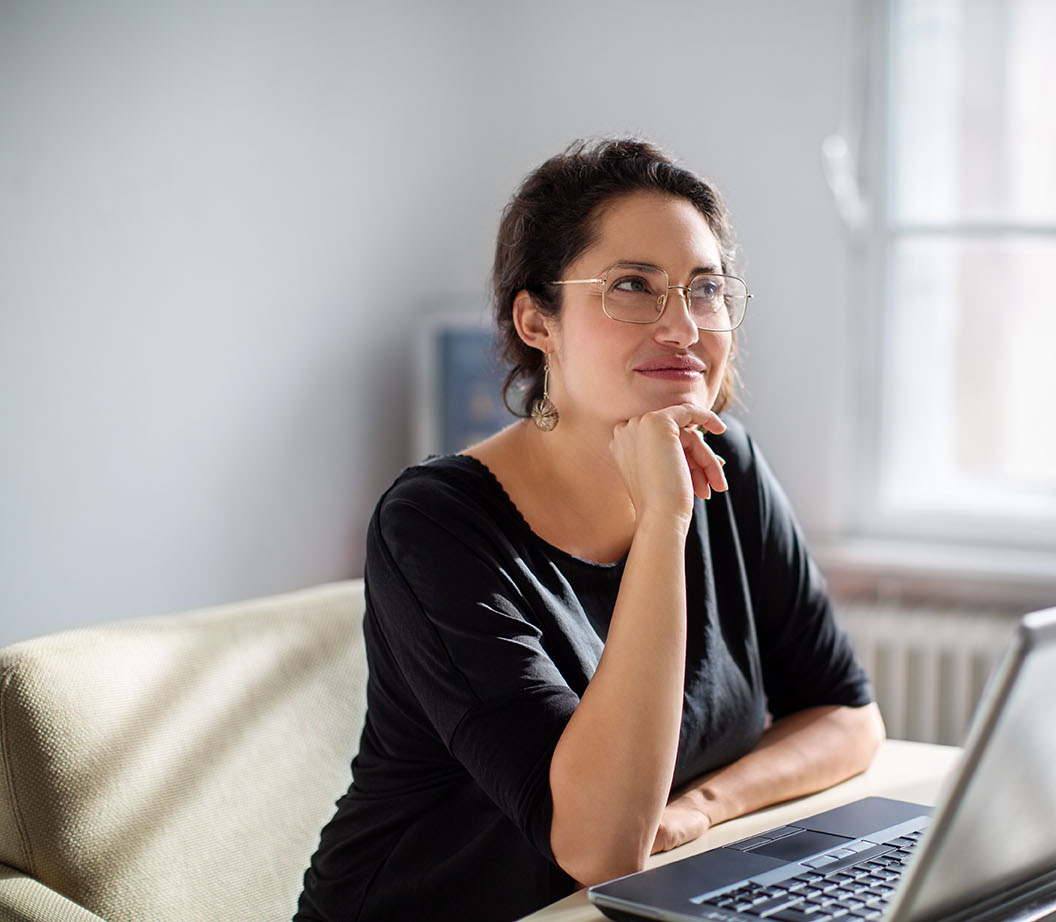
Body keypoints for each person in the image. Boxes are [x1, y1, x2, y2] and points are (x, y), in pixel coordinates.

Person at [295, 138, 885, 922]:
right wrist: (665, 525)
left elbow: (848, 717)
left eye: (704, 289)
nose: (682, 326)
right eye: (634, 286)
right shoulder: (435, 525)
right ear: (538, 320)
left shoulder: (728, 464)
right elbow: (599, 847)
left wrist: (703, 804)